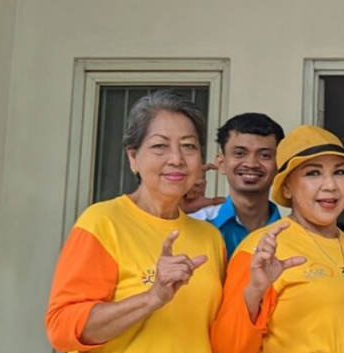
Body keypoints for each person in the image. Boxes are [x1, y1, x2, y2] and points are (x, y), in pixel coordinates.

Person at [45, 90, 225, 352]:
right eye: (160, 146)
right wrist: (152, 298)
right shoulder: (103, 222)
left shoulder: (209, 237)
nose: (176, 159)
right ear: (133, 157)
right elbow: (61, 327)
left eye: (189, 146)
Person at [211, 125, 344, 353]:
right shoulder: (260, 249)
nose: (330, 185)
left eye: (339, 172)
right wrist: (254, 294)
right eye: (313, 173)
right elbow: (226, 347)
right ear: (288, 187)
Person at [186, 113, 286, 257]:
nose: (251, 164)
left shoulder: (292, 233)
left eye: (264, 155)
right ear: (221, 163)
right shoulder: (196, 222)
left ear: (279, 165)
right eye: (239, 153)